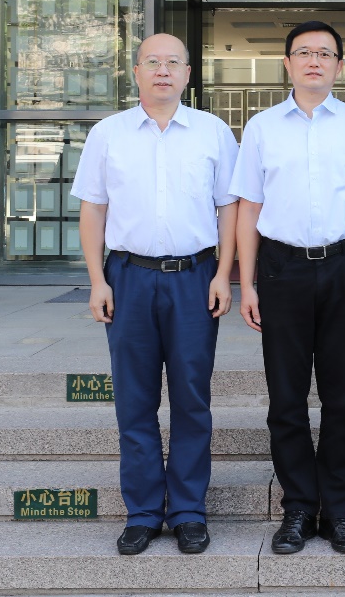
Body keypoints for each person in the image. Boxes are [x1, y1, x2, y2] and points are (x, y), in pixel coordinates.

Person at [72, 33, 239, 557]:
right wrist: (97, 280)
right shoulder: (108, 133)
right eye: (152, 62)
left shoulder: (213, 132)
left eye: (173, 62)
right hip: (129, 278)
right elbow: (93, 209)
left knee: (192, 398)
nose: (162, 70)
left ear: (188, 73)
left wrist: (224, 274)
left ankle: (188, 510)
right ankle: (143, 512)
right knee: (135, 400)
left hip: (194, 277)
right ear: (137, 72)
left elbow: (229, 209)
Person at [231, 20, 345, 555]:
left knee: (342, 398)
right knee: (286, 398)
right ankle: (298, 507)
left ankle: (340, 511)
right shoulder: (261, 127)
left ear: (339, 66)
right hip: (282, 270)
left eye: (324, 53)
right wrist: (249, 284)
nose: (314, 61)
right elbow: (248, 208)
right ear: (287, 64)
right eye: (303, 52)